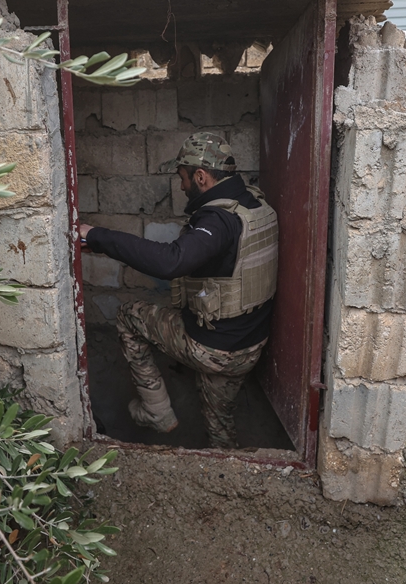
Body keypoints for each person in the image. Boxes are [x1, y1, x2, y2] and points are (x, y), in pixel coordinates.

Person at [78, 132, 279, 448]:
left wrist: (98, 236)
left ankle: (156, 411)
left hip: (214, 349)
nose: (183, 186)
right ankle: (224, 461)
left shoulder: (219, 220)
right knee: (219, 419)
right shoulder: (254, 205)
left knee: (129, 316)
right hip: (251, 344)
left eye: (183, 178)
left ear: (201, 176)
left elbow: (170, 262)